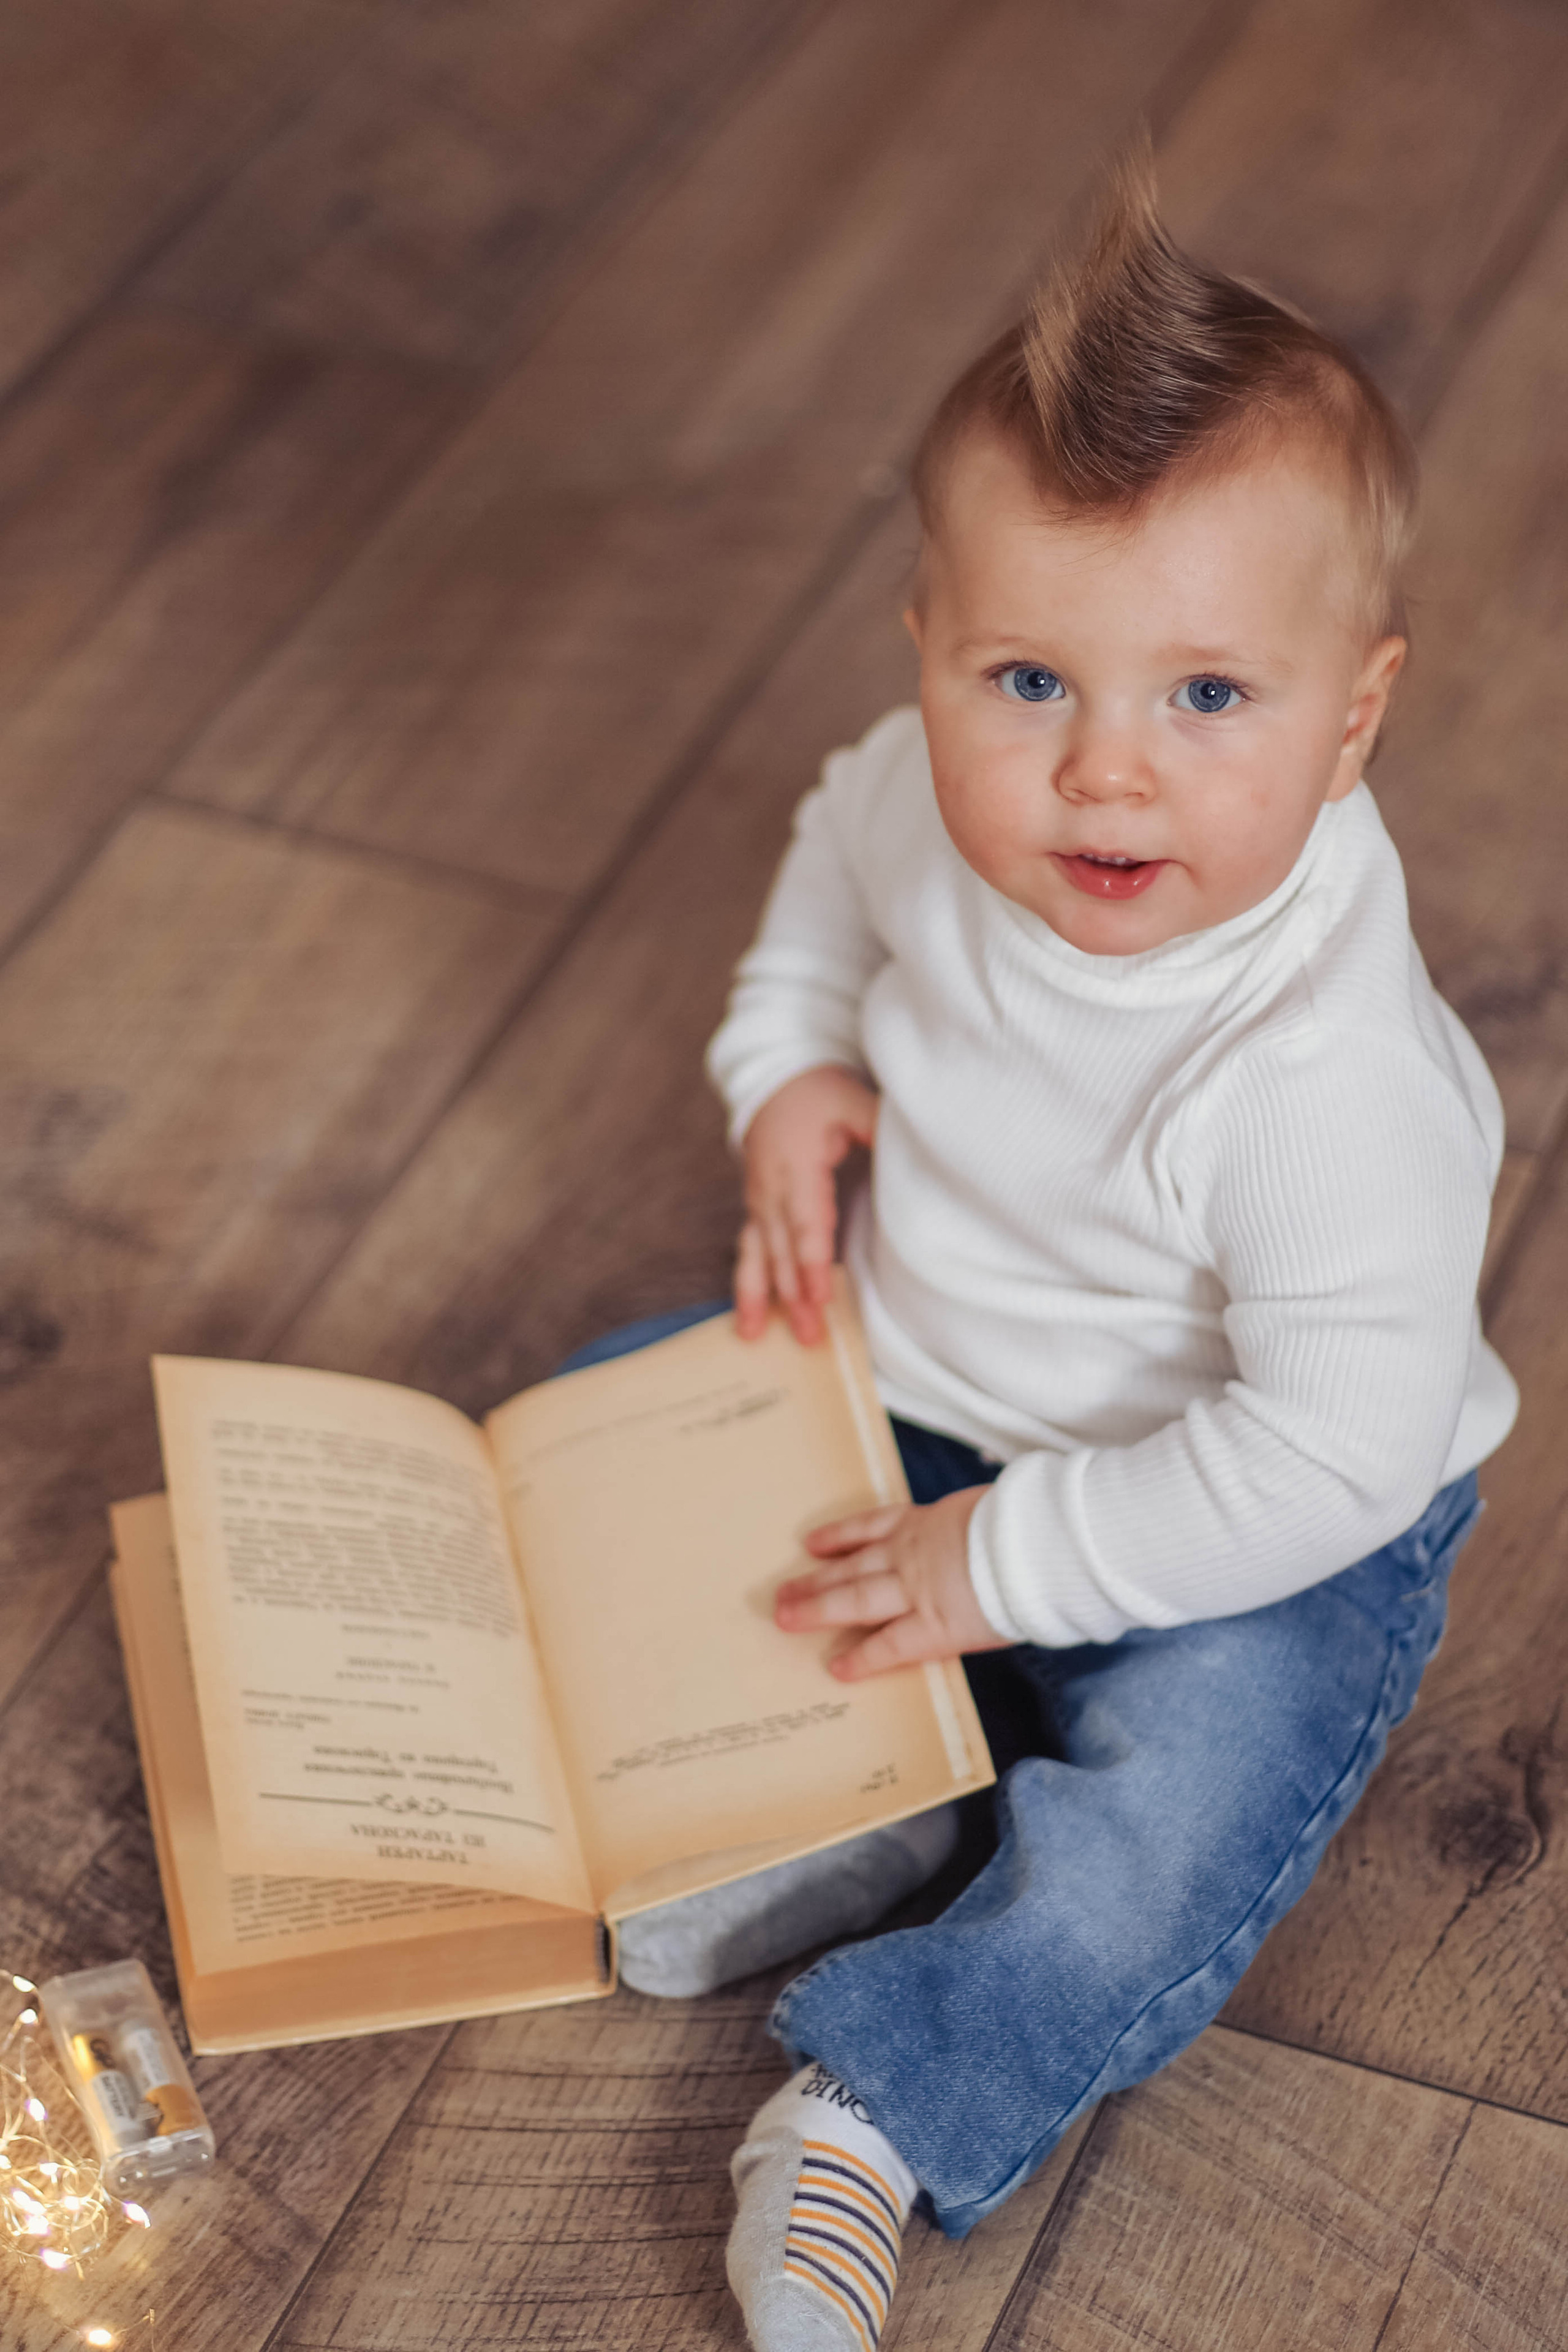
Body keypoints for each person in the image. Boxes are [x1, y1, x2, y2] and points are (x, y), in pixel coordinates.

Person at [570, 156, 1518, 2352]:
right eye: (1027, 678)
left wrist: (1006, 1567)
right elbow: (827, 861)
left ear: (1353, 714)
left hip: (1265, 1513)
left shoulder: (1319, 1082)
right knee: (613, 1437)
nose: (1102, 773)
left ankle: (877, 2109)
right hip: (919, 1369)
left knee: (1180, 1817)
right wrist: (790, 1066)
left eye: (1209, 699)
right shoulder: (917, 787)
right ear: (925, 656)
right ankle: (843, 1795)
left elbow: (1333, 1446)